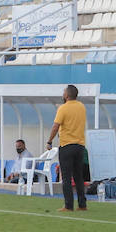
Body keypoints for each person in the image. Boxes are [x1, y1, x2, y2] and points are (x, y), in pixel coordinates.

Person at [47, 84, 88, 212]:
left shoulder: (63, 108)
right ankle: (82, 204)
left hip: (66, 145)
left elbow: (56, 126)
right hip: (80, 145)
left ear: (66, 95)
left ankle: (68, 205)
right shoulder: (82, 107)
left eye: (64, 92)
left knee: (66, 177)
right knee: (78, 176)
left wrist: (49, 141)